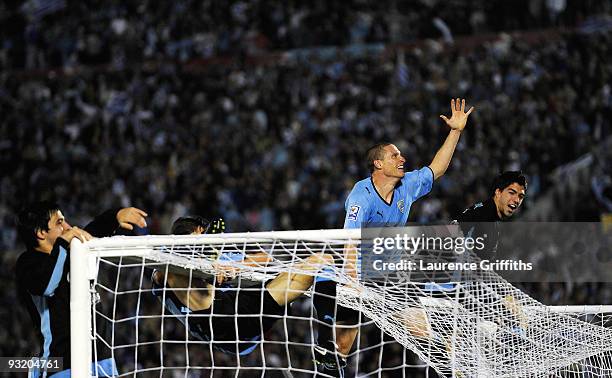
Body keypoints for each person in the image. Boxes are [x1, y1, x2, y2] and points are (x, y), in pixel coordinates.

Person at [312, 98, 475, 376]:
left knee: (422, 332)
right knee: (340, 346)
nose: (403, 159)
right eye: (395, 156)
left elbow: (437, 168)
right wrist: (351, 280)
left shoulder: (407, 185)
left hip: (393, 274)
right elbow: (349, 239)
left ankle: (454, 370)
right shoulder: (360, 196)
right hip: (360, 273)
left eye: (401, 156)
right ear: (378, 163)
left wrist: (455, 131)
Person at [152, 215, 336, 356]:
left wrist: (233, 269)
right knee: (173, 269)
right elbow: (158, 273)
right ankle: (204, 272)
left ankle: (326, 342)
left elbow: (265, 258)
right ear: (199, 230)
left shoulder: (222, 256)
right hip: (213, 321)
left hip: (244, 314)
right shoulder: (166, 263)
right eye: (202, 235)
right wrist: (205, 267)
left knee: (322, 260)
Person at [16, 201, 148, 378]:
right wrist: (62, 244)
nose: (69, 227)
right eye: (59, 223)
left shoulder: (72, 252)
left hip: (101, 362)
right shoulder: (28, 263)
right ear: (41, 233)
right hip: (62, 367)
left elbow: (91, 231)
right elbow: (46, 285)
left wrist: (115, 217)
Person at [453, 170, 527, 255]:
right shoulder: (481, 212)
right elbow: (447, 232)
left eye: (520, 196)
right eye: (511, 193)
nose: (517, 200)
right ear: (498, 192)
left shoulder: (493, 221)